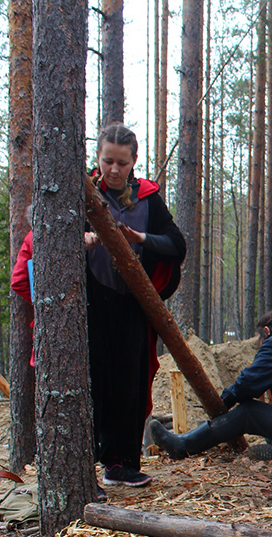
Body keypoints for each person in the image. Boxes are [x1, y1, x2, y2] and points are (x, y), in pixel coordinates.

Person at [81, 123, 187, 489]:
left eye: (121, 163)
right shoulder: (83, 194)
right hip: (91, 303)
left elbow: (177, 244)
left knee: (131, 384)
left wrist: (140, 238)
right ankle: (86, 461)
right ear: (98, 158)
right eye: (107, 161)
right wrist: (88, 239)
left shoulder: (148, 198)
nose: (113, 169)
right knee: (96, 383)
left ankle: (122, 463)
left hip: (132, 305)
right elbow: (46, 235)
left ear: (134, 162)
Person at [150, 299, 272, 460]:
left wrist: (223, 402)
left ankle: (184, 446)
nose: (260, 346)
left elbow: (249, 383)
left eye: (260, 341)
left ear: (267, 332)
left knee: (249, 412)